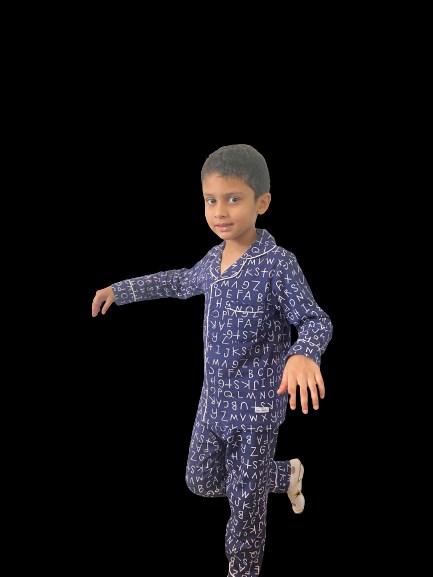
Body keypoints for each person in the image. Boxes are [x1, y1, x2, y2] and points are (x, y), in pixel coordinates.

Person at [92, 144, 333, 577]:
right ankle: (284, 476)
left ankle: (243, 569)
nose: (220, 211)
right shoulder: (214, 259)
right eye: (210, 200)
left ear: (262, 202)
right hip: (213, 403)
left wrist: (303, 354)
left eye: (233, 199)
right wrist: (120, 290)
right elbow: (180, 281)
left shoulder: (278, 265)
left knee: (245, 505)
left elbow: (315, 320)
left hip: (256, 410)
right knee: (200, 481)